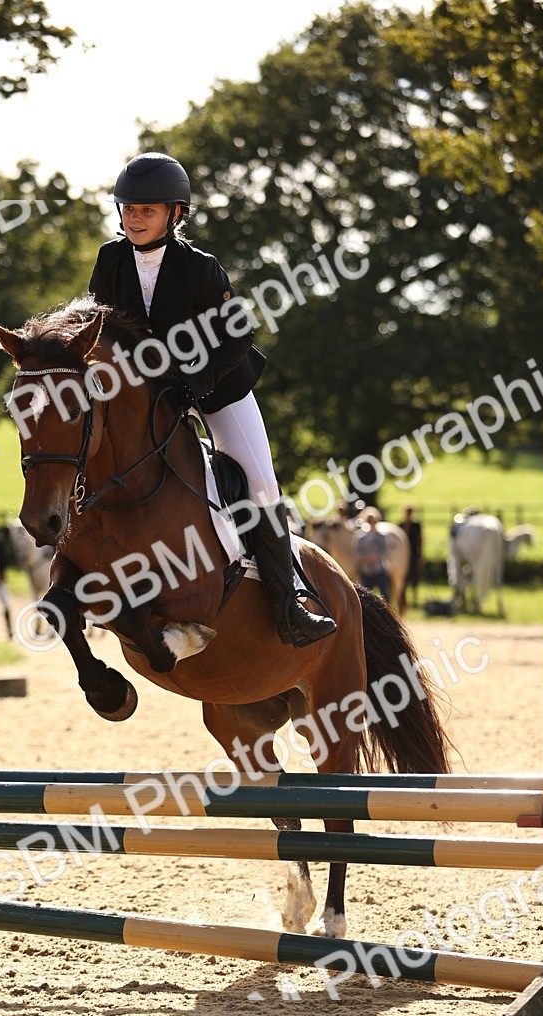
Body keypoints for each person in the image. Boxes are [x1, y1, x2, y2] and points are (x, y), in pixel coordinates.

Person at [88, 152, 336, 648]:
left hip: (217, 385)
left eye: (147, 211)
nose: (134, 219)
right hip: (146, 393)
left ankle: (289, 603)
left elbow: (238, 336)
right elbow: (96, 328)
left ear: (175, 214)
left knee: (261, 482)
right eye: (129, 209)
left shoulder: (201, 268)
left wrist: (193, 384)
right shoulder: (110, 259)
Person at [354, 511, 391, 602]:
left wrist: (375, 557)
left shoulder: (381, 536)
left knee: (384, 593)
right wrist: (366, 558)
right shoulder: (361, 537)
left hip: (378, 568)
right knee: (366, 594)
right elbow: (358, 551)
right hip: (366, 569)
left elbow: (384, 551)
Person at [400, 505, 423, 606]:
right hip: (404, 554)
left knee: (414, 575)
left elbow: (420, 539)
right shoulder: (401, 524)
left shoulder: (416, 525)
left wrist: (421, 553)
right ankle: (403, 596)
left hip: (414, 553)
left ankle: (414, 596)